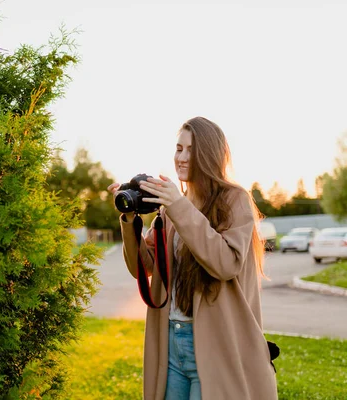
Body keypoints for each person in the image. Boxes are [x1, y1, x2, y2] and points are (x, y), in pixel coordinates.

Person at [107, 117, 278, 400]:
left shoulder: (234, 200)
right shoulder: (172, 207)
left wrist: (177, 206)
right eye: (178, 148)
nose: (182, 158)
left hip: (212, 344)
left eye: (191, 150)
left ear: (209, 155)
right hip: (172, 341)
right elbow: (145, 268)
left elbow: (225, 263)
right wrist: (129, 220)